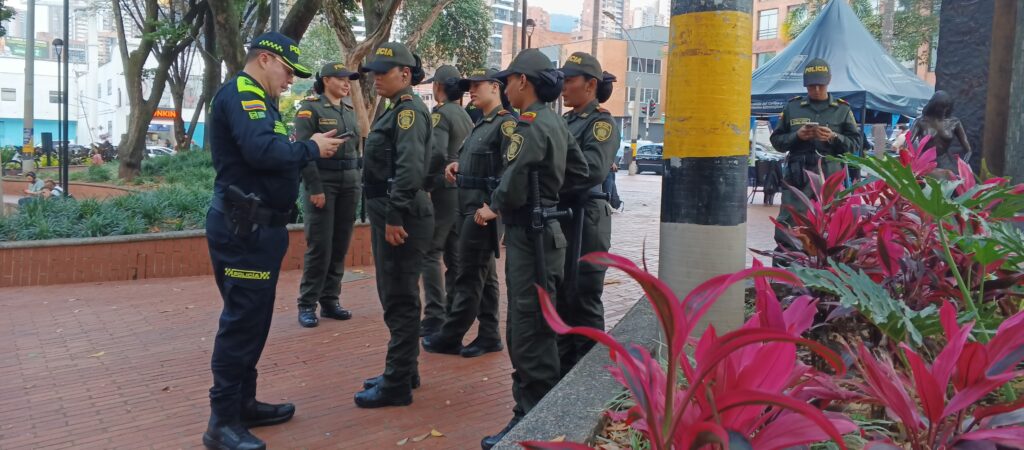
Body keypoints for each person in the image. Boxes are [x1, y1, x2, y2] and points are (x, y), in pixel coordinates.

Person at [202, 32, 345, 450]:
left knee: (253, 320)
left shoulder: (258, 99)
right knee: (242, 322)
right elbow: (264, 152)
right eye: (287, 71)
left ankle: (243, 404)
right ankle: (222, 421)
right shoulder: (243, 94)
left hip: (257, 229)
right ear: (265, 59)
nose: (290, 81)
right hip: (243, 230)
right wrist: (311, 148)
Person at [476, 49, 589, 449]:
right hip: (549, 234)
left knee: (528, 330)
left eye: (507, 80)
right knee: (542, 322)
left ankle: (531, 420)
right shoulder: (556, 123)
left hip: (531, 237)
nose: (505, 87)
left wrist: (496, 203)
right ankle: (541, 412)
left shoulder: (530, 126)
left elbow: (514, 182)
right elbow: (581, 172)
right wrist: (552, 191)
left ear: (523, 82)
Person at [355, 42, 434, 409]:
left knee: (399, 298)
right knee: (395, 294)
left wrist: (395, 216)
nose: (375, 78)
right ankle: (405, 370)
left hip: (399, 216)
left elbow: (409, 168)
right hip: (391, 211)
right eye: (374, 72)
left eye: (382, 72)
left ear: (405, 74)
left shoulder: (408, 113)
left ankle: (397, 383)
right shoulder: (394, 110)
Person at [422, 68, 515, 358]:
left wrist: (495, 208)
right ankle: (489, 335)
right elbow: (479, 162)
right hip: (469, 206)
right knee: (484, 276)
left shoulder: (505, 124)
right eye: (469, 86)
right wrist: (457, 166)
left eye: (477, 85)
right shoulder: (481, 123)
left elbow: (512, 169)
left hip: (482, 211)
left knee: (468, 274)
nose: (471, 90)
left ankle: (451, 335)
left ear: (495, 87)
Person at [555, 52, 619, 375]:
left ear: (590, 85)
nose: (563, 87)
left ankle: (591, 379)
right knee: (562, 300)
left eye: (569, 80)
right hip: (564, 217)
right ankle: (564, 378)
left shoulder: (602, 123)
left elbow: (592, 170)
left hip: (586, 219)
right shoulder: (566, 121)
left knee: (584, 298)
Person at [293, 62, 363, 328]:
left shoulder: (349, 110)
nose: (347, 83)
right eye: (342, 78)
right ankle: (307, 304)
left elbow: (356, 147)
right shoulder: (310, 108)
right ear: (325, 80)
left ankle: (330, 300)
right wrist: (315, 188)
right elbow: (303, 150)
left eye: (349, 79)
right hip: (324, 181)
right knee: (320, 246)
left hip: (349, 182)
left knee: (340, 244)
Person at [769, 58, 862, 255]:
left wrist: (834, 137)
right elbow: (777, 141)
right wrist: (797, 136)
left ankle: (826, 270)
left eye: (820, 85)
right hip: (798, 175)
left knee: (830, 221)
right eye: (812, 86)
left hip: (829, 174)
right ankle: (787, 268)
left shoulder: (842, 109)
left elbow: (856, 144)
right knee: (789, 222)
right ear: (805, 85)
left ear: (828, 83)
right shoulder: (793, 107)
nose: (816, 89)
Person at [418, 65, 473, 339]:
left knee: (430, 253)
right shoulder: (465, 114)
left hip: (443, 189)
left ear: (438, 87)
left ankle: (434, 315)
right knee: (454, 254)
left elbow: (437, 152)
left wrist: (426, 183)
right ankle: (453, 310)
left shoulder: (440, 115)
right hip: (461, 192)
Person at [910, 90, 972, 170]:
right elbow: (907, 144)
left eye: (947, 107)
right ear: (934, 105)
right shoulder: (921, 121)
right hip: (924, 162)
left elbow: (968, 150)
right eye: (941, 107)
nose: (944, 110)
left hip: (945, 164)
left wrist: (963, 165)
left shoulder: (954, 122)